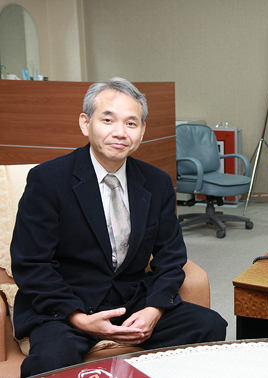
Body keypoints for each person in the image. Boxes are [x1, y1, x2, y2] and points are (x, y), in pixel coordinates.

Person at [11, 77, 227, 377]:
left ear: (141, 131)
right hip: (66, 306)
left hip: (132, 302)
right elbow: (31, 263)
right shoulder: (48, 180)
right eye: (108, 120)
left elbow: (170, 255)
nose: (119, 133)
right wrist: (78, 318)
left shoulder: (156, 182)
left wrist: (154, 309)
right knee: (51, 360)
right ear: (85, 123)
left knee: (210, 325)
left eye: (131, 123)